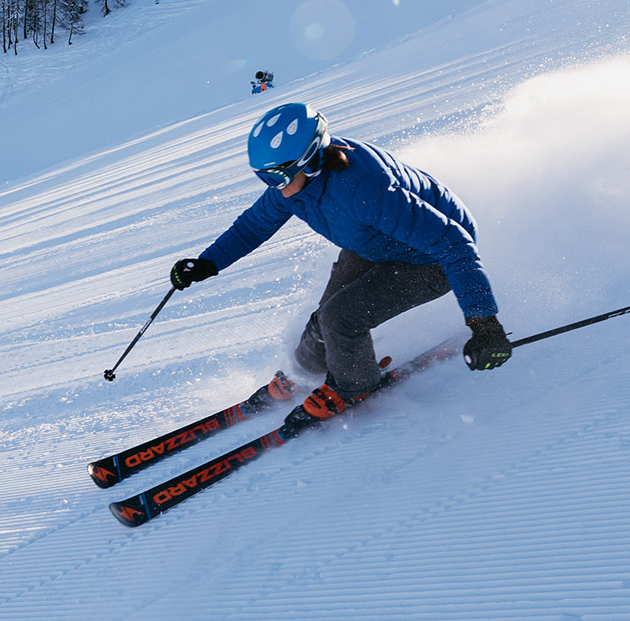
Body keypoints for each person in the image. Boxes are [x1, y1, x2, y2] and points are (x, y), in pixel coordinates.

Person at [169, 102, 512, 417]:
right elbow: (253, 226)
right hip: (374, 244)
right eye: (264, 176)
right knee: (323, 321)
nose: (273, 185)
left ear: (311, 160)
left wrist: (485, 326)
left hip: (430, 257)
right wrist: (207, 263)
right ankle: (302, 373)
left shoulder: (366, 189)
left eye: (278, 175)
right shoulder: (291, 188)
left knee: (341, 318)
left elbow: (455, 245)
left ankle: (353, 386)